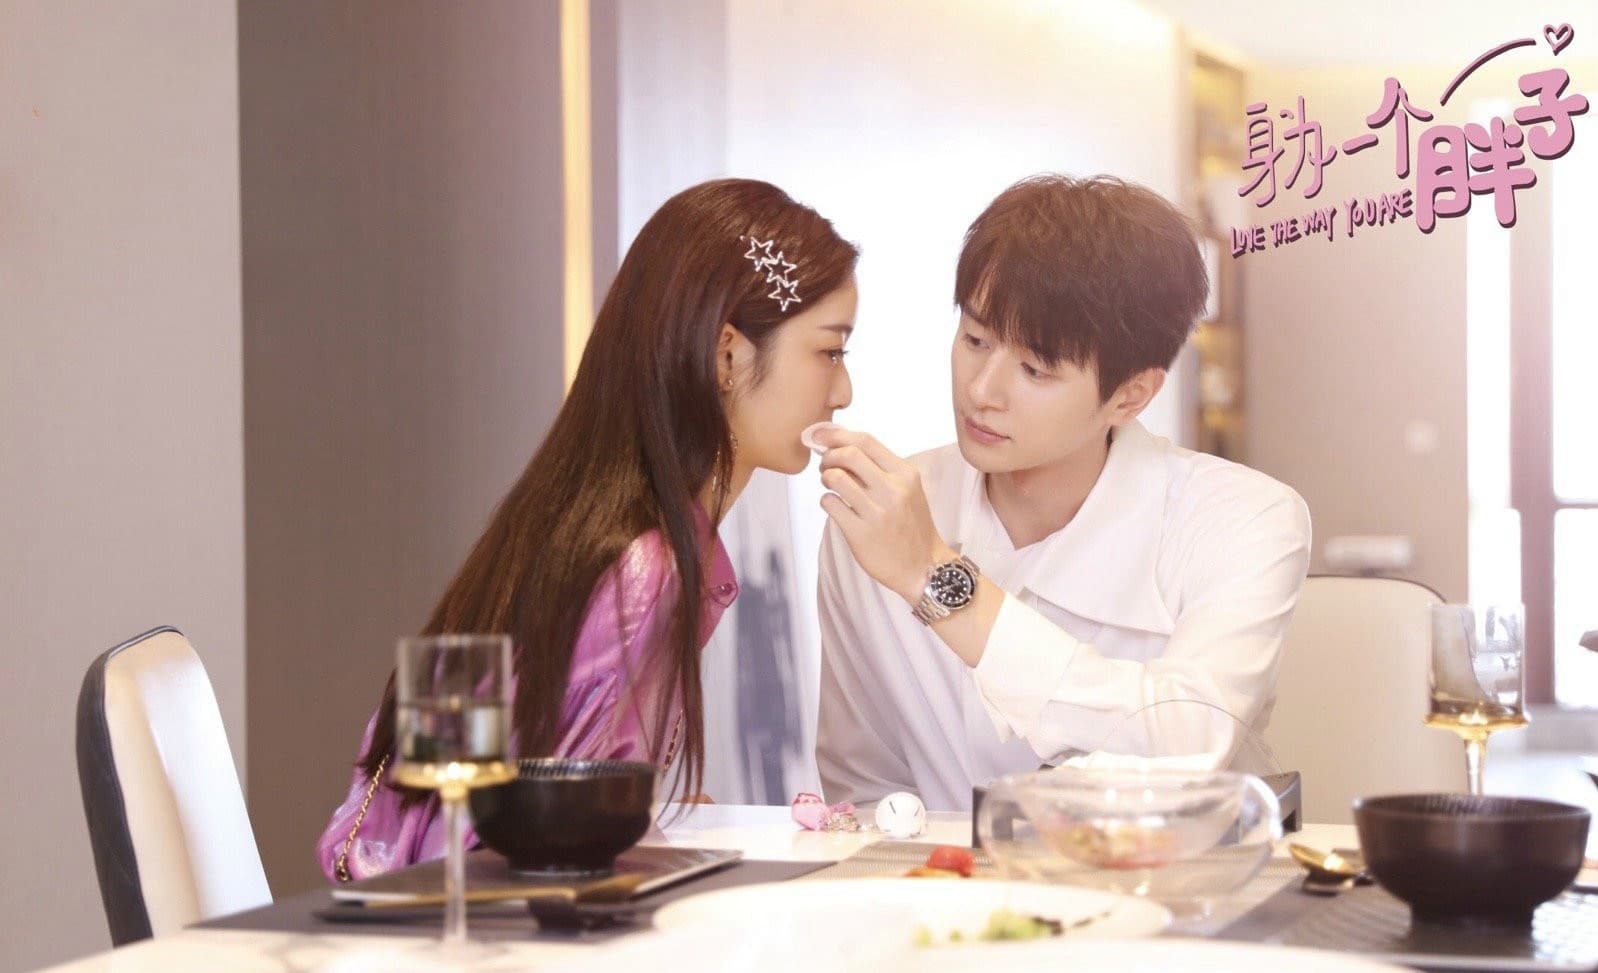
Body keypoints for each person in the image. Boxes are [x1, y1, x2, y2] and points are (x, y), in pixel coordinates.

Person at [318, 178, 859, 881]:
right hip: (462, 922)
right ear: (726, 355)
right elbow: (532, 848)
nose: (843, 392)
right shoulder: (644, 568)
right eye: (830, 351)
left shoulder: (584, 520)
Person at [814, 174, 1311, 811]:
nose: (982, 390)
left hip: (1162, 870)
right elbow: (864, 788)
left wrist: (933, 576)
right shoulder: (879, 511)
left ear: (1130, 395)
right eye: (975, 340)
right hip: (936, 875)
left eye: (1035, 369)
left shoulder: (1245, 518)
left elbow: (1183, 743)